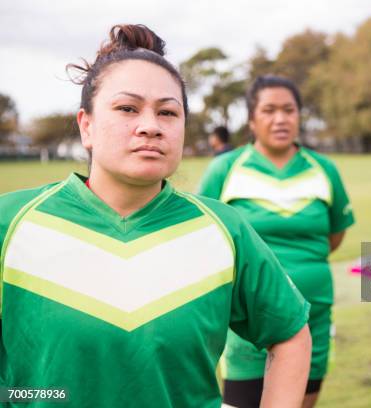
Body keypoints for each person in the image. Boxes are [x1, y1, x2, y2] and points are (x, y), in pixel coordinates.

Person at [0, 25, 312, 408]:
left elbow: (290, 333)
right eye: (127, 108)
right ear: (86, 125)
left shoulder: (225, 230)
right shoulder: (11, 222)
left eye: (168, 112)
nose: (150, 126)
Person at [198, 75, 355, 408]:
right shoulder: (224, 169)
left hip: (314, 317)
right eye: (269, 110)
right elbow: (202, 238)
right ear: (252, 120)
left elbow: (334, 236)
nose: (281, 118)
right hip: (247, 327)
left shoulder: (324, 169)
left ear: (299, 116)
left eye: (289, 110)